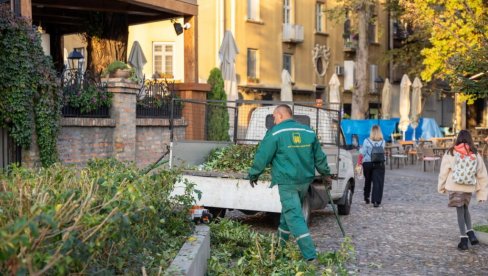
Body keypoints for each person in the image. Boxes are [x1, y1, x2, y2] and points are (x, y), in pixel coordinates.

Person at [248, 104, 331, 261]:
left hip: (287, 182)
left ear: (280, 115)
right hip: (305, 181)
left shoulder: (275, 133)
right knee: (288, 214)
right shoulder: (308, 131)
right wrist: (326, 175)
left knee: (294, 216)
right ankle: (280, 248)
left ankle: (310, 256)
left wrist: (254, 173)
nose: (273, 120)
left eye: (274, 117)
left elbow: (262, 155)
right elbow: (319, 157)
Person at [438, 130, 488, 250]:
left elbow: (443, 172)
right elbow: (482, 174)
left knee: (460, 212)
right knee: (465, 208)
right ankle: (471, 233)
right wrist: (482, 194)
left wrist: (441, 187)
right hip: (468, 187)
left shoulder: (451, 152)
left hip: (455, 187)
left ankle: (463, 240)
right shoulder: (475, 153)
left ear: (458, 139)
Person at [359, 125, 386, 207]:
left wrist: (359, 161)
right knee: (377, 182)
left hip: (367, 163)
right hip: (379, 163)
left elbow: (363, 153)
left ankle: (366, 197)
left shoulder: (366, 141)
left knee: (368, 180)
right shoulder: (383, 142)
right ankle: (376, 201)